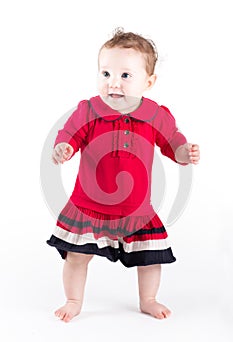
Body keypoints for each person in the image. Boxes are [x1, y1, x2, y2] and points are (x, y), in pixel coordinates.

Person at [47, 28, 200, 323]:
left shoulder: (156, 114)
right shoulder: (89, 110)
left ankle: (149, 298)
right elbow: (69, 136)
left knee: (151, 258)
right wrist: (63, 148)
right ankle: (74, 299)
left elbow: (173, 144)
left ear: (149, 82)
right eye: (105, 73)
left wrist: (185, 153)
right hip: (88, 205)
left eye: (125, 75)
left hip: (137, 209)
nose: (113, 82)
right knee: (77, 256)